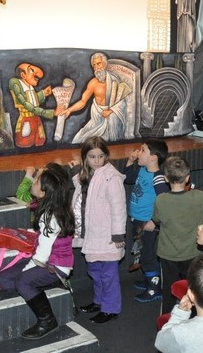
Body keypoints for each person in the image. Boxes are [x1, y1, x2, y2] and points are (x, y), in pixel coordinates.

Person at [0, 163, 75, 339]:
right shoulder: (49, 208)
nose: (34, 181)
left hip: (55, 265)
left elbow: (42, 255)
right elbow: (47, 239)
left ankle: (47, 321)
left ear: (44, 192)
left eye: (37, 180)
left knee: (22, 281)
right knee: (3, 279)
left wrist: (25, 272)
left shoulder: (50, 217)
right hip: (43, 260)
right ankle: (38, 285)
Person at [146, 157, 203, 301]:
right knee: (193, 289)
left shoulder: (161, 199)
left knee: (169, 290)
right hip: (193, 252)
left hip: (168, 254)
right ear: (187, 178)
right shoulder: (198, 197)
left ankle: (167, 314)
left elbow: (156, 219)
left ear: (166, 178)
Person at [71, 136, 127, 324]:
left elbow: (119, 208)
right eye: (92, 157)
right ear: (85, 157)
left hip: (108, 236)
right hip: (92, 234)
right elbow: (83, 195)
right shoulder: (87, 175)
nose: (96, 161)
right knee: (94, 270)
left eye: (100, 156)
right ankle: (99, 301)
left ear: (106, 156)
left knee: (108, 274)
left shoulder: (112, 177)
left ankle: (111, 308)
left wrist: (118, 234)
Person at [123, 139, 169, 302]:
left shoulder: (158, 178)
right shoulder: (143, 170)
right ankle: (149, 279)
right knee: (141, 252)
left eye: (143, 150)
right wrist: (130, 162)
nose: (138, 153)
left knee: (147, 255)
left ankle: (154, 288)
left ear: (153, 158)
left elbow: (165, 202)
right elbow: (128, 178)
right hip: (138, 221)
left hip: (147, 224)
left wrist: (154, 222)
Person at [64, 52, 134, 142]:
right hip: (97, 119)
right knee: (81, 138)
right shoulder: (93, 83)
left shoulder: (114, 80)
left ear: (104, 64)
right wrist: (69, 110)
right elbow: (83, 101)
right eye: (94, 65)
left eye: (98, 64)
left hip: (112, 117)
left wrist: (110, 111)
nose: (96, 67)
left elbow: (122, 101)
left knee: (112, 120)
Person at [7, 63, 62, 148]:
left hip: (36, 120)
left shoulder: (30, 88)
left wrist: (43, 93)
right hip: (26, 121)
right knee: (26, 143)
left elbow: (32, 100)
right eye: (31, 70)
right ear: (23, 75)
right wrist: (51, 113)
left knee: (39, 142)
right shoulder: (18, 89)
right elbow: (28, 105)